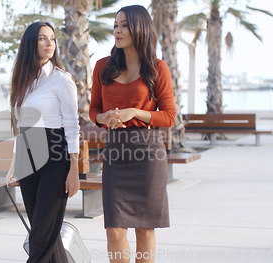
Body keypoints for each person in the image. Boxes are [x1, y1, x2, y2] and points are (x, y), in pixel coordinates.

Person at [89, 5, 176, 263]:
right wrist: (102, 118)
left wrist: (135, 113)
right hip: (115, 153)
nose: (117, 29)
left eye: (124, 24)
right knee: (114, 230)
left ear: (139, 28)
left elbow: (169, 116)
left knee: (144, 228)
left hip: (148, 153)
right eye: (116, 24)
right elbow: (93, 108)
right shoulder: (102, 67)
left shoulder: (157, 68)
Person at [5, 21, 81, 263]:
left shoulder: (62, 80)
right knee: (44, 231)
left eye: (52, 38)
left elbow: (72, 126)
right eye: (42, 38)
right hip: (28, 153)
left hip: (55, 154)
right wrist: (13, 165)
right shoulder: (22, 81)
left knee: (40, 234)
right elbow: (20, 126)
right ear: (31, 43)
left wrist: (74, 169)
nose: (50, 43)